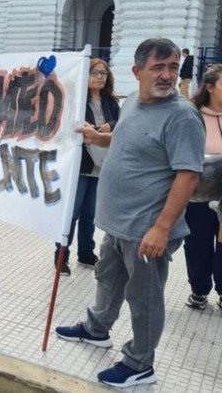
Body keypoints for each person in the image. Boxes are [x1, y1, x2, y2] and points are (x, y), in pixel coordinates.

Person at [55, 38, 205, 388]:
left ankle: (140, 363)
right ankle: (96, 329)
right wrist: (95, 136)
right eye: (158, 67)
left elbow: (188, 175)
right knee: (108, 279)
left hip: (147, 230)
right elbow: (124, 140)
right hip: (118, 222)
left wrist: (161, 229)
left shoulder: (182, 117)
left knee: (144, 298)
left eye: (173, 67)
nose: (167, 75)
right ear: (137, 72)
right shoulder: (135, 100)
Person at [54, 58, 119, 275]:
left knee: (90, 213)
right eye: (95, 72)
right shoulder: (75, 101)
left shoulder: (111, 102)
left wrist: (110, 126)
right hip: (81, 164)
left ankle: (86, 252)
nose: (100, 76)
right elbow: (65, 127)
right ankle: (61, 255)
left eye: (103, 73)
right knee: (72, 213)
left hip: (102, 165)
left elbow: (121, 124)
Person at [183, 64, 222, 310]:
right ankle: (199, 289)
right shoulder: (191, 114)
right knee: (198, 241)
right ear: (209, 87)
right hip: (198, 191)